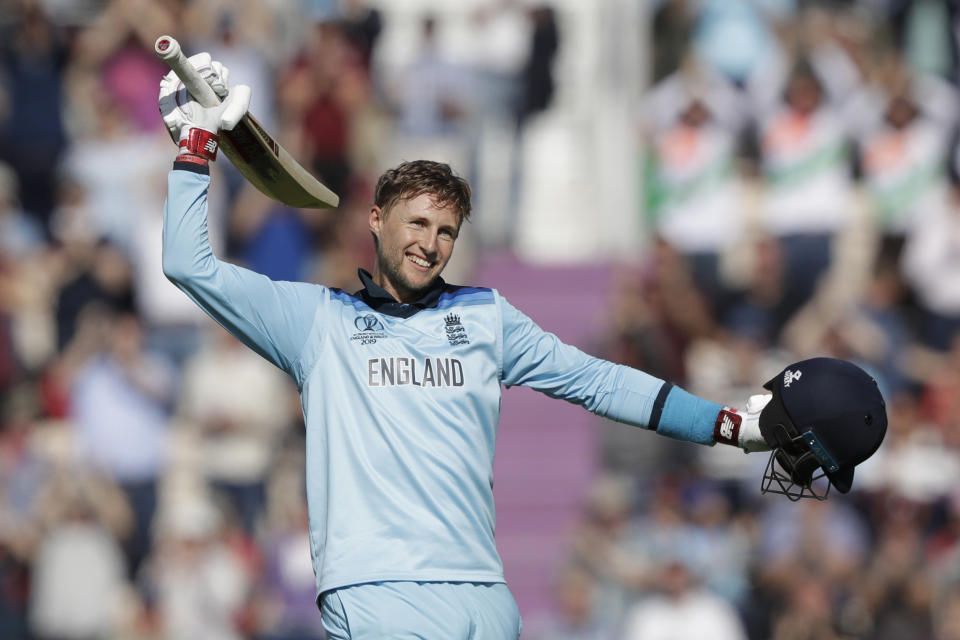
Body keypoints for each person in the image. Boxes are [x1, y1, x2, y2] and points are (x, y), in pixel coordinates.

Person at [156, 54, 872, 639]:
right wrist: (197, 147)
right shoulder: (315, 318)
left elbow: (602, 383)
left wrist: (729, 427)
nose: (430, 244)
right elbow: (189, 265)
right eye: (416, 224)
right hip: (379, 595)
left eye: (446, 233)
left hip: (482, 601)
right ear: (375, 220)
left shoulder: (488, 318)